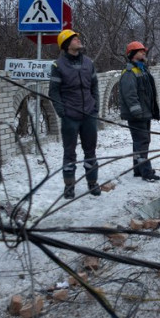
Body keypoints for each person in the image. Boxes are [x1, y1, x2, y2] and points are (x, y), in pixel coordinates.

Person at [49, 29, 100, 199]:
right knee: (69, 153)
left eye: (78, 38)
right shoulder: (58, 66)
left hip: (89, 116)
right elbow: (53, 92)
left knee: (90, 151)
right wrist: (62, 112)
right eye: (74, 39)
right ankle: (69, 185)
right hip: (70, 117)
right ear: (66, 44)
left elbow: (94, 87)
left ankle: (92, 183)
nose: (78, 40)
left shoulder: (88, 63)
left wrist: (95, 108)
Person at [119, 41, 160, 182]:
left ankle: (138, 169)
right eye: (140, 51)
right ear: (132, 55)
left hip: (145, 113)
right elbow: (130, 95)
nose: (144, 53)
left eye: (144, 51)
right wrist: (137, 112)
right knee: (142, 142)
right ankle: (146, 172)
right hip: (137, 114)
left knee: (141, 141)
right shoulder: (129, 73)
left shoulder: (142, 69)